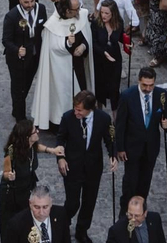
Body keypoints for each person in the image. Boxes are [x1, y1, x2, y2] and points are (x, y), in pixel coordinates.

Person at [55, 90, 116, 243]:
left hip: (93, 168)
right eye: (75, 108)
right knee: (72, 202)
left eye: (80, 110)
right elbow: (60, 138)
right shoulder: (68, 117)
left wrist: (112, 155)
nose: (76, 112)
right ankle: (63, 223)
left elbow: (110, 139)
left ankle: (82, 230)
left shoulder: (103, 119)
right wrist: (60, 157)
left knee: (89, 202)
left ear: (90, 109)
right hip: (72, 167)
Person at [31, 0, 92, 130]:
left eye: (78, 8)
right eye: (75, 10)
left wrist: (83, 46)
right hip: (59, 70)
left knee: (81, 93)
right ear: (66, 11)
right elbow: (53, 47)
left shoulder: (81, 15)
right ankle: (59, 123)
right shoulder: (52, 25)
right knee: (61, 97)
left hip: (78, 66)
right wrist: (68, 44)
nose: (79, 11)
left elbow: (86, 37)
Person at [115, 66, 167, 205]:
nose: (148, 88)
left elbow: (166, 115)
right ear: (139, 81)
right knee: (130, 182)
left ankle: (140, 208)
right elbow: (120, 124)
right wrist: (120, 148)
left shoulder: (161, 94)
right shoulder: (127, 96)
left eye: (151, 85)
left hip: (151, 147)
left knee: (145, 181)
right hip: (132, 147)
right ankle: (126, 209)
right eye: (144, 85)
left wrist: (166, 123)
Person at [6, 0, 50, 122]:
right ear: (20, 0)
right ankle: (20, 117)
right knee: (18, 87)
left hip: (35, 56)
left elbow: (45, 29)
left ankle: (16, 108)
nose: (30, 4)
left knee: (27, 84)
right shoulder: (12, 16)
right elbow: (6, 40)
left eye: (32, 1)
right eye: (26, 2)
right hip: (17, 59)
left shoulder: (41, 9)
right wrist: (17, 49)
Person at [6, 184, 73, 243]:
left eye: (45, 207)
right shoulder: (16, 224)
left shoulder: (61, 214)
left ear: (51, 203)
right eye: (37, 207)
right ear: (30, 204)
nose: (41, 212)